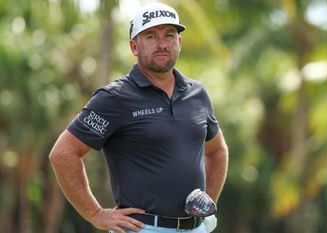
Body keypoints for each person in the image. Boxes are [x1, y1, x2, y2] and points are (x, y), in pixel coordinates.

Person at [49, 2, 229, 233]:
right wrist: (95, 214)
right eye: (151, 36)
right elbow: (63, 153)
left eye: (169, 35)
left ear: (179, 42)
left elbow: (217, 151)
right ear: (134, 46)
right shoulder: (114, 98)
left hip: (196, 229)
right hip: (143, 229)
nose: (162, 44)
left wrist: (207, 205)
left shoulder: (197, 93)